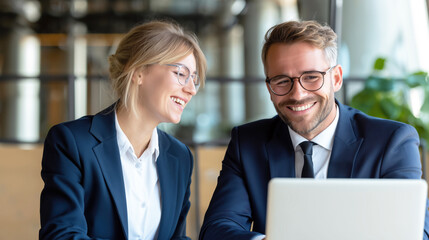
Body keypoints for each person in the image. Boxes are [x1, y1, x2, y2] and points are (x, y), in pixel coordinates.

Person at [199, 20, 429, 240]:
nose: (297, 94)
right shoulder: (248, 143)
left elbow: (416, 231)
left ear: (336, 78)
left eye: (311, 77)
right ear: (269, 88)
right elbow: (216, 230)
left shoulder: (391, 142)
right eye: (281, 81)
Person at [39, 20, 206, 240]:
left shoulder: (180, 156)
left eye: (194, 78)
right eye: (181, 73)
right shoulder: (72, 142)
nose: (191, 89)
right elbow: (61, 235)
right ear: (138, 71)